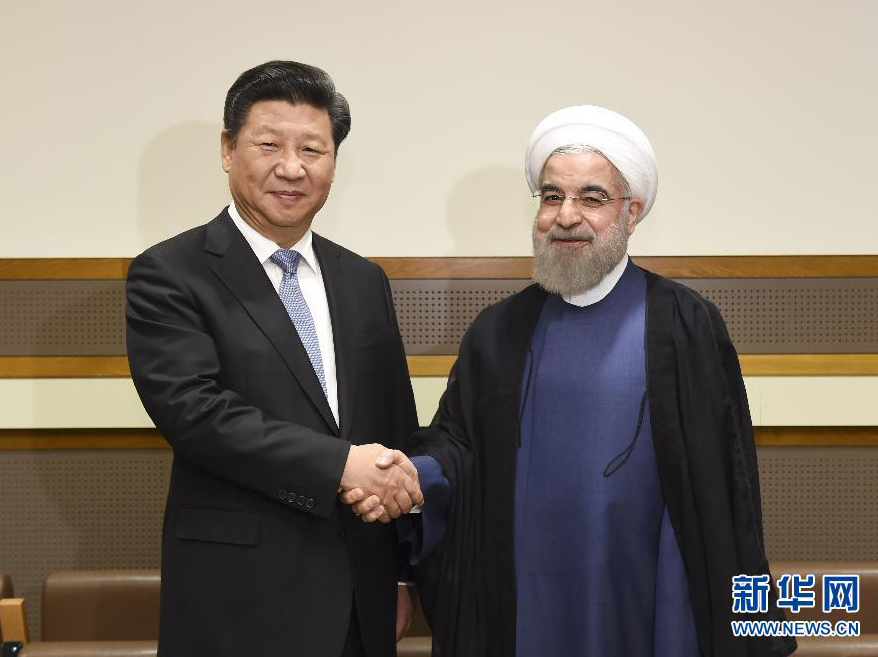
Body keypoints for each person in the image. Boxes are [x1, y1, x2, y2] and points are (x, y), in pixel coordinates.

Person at [346, 106, 796, 656]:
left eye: (592, 198)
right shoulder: (498, 330)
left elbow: (723, 483)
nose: (566, 216)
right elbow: (458, 447)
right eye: (552, 196)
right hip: (522, 597)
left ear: (631, 213)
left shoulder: (685, 323)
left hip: (647, 594)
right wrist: (415, 477)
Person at [126, 60, 422, 657]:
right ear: (227, 150)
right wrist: (340, 464)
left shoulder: (363, 280)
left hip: (360, 594)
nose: (292, 167)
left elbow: (394, 423)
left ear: (334, 161)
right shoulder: (169, 273)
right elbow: (195, 413)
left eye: (312, 149)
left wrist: (399, 572)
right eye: (269, 145)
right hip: (238, 596)